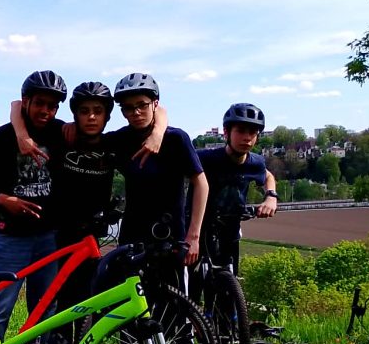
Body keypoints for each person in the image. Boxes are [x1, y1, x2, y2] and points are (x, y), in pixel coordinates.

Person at [0, 70, 66, 339]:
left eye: (52, 106)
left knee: (44, 311)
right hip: (11, 238)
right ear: (26, 101)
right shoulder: (2, 137)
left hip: (49, 236)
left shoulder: (60, 133)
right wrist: (1, 198)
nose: (46, 111)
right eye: (40, 103)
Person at [108, 73, 208, 273]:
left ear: (154, 104)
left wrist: (193, 236)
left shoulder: (176, 139)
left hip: (172, 234)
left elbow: (201, 184)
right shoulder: (119, 140)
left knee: (174, 299)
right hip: (133, 235)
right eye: (128, 107)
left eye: (142, 105)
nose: (136, 112)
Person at [193, 103, 278, 272]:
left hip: (230, 230)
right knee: (193, 286)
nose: (247, 138)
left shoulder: (255, 163)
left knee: (230, 283)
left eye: (252, 132)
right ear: (226, 132)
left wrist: (271, 196)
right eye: (240, 131)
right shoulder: (206, 158)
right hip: (198, 229)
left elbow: (268, 176)